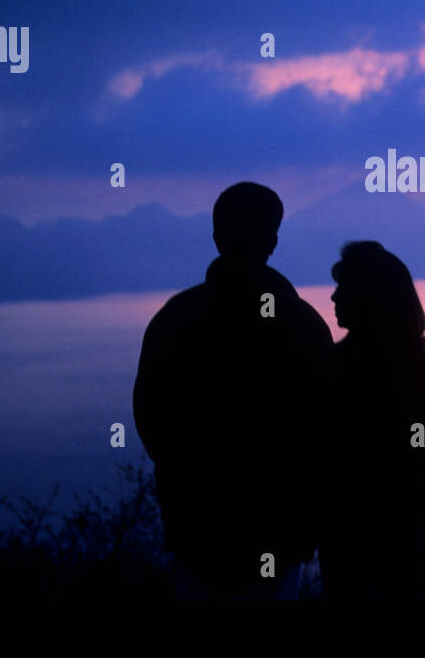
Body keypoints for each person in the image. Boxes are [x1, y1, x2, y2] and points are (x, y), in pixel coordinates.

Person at [133, 182, 333, 600]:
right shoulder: (303, 325)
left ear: (216, 235)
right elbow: (326, 431)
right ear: (273, 240)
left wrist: (191, 477)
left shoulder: (176, 319)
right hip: (279, 528)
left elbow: (151, 419)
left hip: (198, 527)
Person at [319, 241, 425, 600]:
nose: (333, 298)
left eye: (343, 288)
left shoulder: (337, 366)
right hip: (409, 525)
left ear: (369, 296)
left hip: (360, 532)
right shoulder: (424, 365)